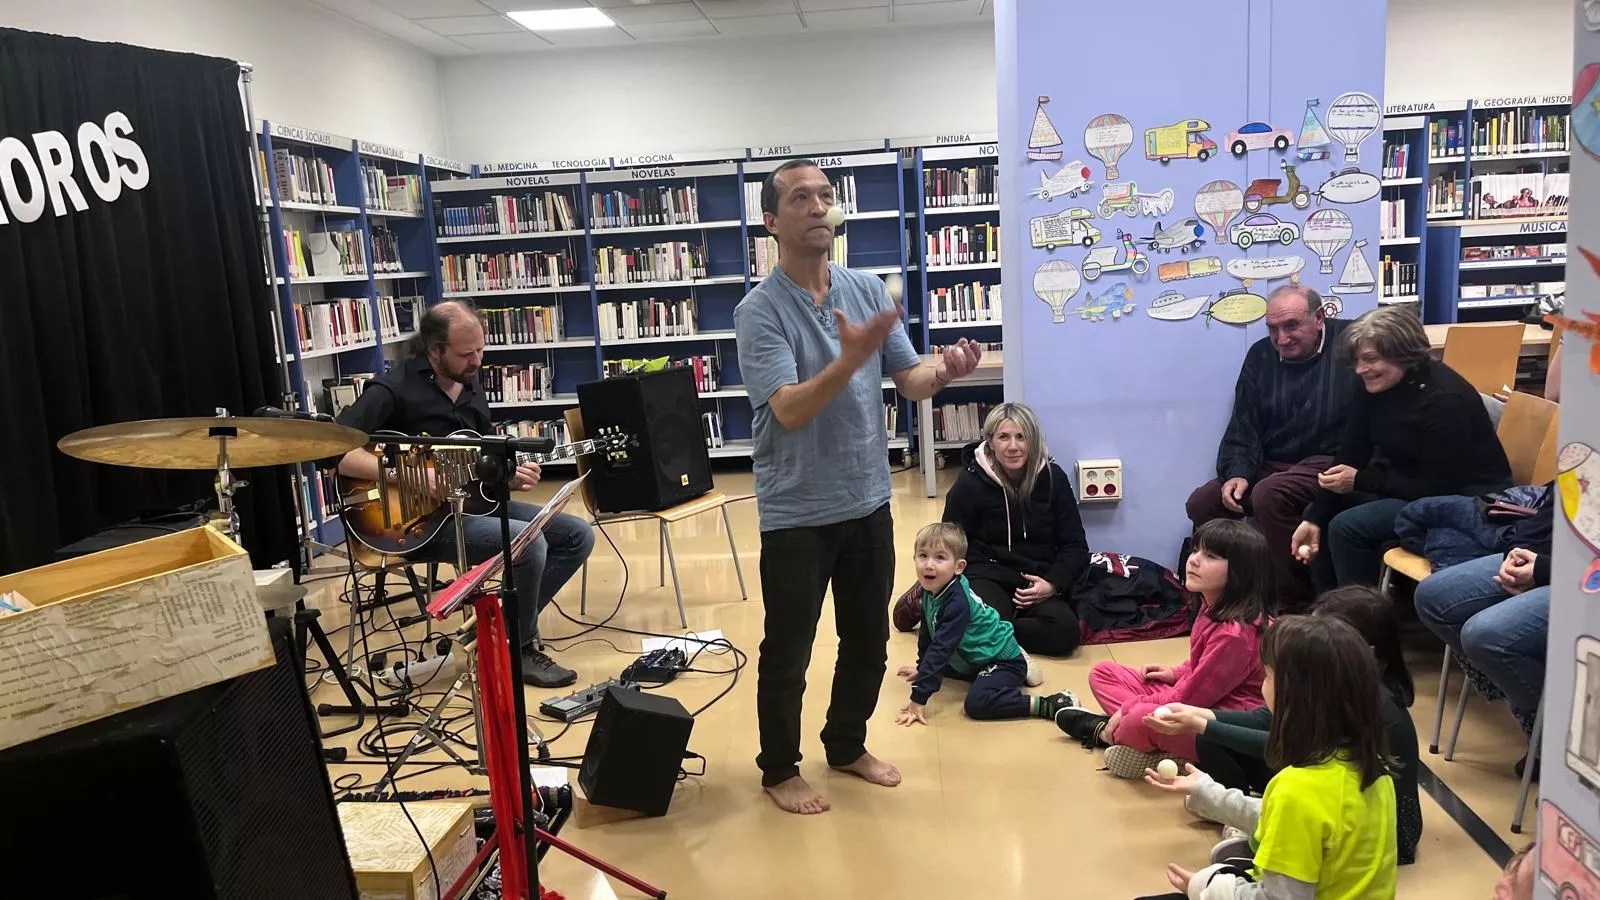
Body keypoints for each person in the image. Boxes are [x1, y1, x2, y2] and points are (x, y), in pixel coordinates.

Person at [733, 158, 982, 815]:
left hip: (867, 498)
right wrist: (847, 360)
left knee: (868, 642)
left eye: (825, 195)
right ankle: (779, 768)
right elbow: (787, 409)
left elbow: (911, 380)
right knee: (788, 650)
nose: (818, 206)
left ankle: (845, 745)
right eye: (800, 198)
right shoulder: (759, 312)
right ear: (772, 221)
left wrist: (947, 371)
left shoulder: (867, 288)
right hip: (796, 511)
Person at [332, 301, 595, 688]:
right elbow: (335, 452)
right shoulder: (391, 389)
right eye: (465, 353)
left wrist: (510, 477)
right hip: (410, 523)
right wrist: (405, 474)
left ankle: (497, 634)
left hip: (466, 507)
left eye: (480, 350)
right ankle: (515, 648)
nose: (476, 360)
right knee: (530, 545)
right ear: (434, 350)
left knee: (577, 535)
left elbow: (479, 467)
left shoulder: (472, 387)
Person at [1148, 586, 1421, 866]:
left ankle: (1243, 818)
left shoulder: (1364, 703)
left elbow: (1290, 749)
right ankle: (1238, 808)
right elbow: (1267, 723)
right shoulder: (1334, 685)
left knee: (1217, 739)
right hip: (1337, 803)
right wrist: (1198, 715)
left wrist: (1203, 725)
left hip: (1378, 832)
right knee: (1214, 737)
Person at [1293, 306, 1512, 590]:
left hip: (1467, 496)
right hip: (1409, 480)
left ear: (1403, 354)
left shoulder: (1445, 400)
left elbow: (1439, 486)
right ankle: (1328, 611)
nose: (1360, 369)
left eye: (1370, 359)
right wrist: (1314, 517)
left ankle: (1360, 621)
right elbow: (1352, 452)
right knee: (1325, 511)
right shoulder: (1374, 383)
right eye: (1357, 361)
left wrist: (1360, 480)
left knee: (1348, 526)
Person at [1186, 285, 1359, 612]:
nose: (1281, 338)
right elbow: (1244, 422)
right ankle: (1227, 604)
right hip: (1273, 461)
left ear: (1319, 317)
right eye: (1273, 328)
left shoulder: (1351, 344)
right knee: (1203, 502)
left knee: (1269, 495)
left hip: (1330, 460)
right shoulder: (1260, 355)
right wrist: (1237, 472)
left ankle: (1292, 608)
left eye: (1291, 326)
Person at [1054, 520, 1270, 779]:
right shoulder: (1213, 603)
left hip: (1222, 721)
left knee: (1140, 717)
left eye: (1210, 556)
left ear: (1240, 572)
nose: (1194, 561)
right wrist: (1175, 672)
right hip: (1200, 698)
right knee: (1103, 673)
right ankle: (1151, 746)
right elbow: (1204, 665)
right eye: (1196, 551)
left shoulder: (1234, 633)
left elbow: (1192, 698)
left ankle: (1107, 732)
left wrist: (1128, 709)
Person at [892, 523, 1079, 726]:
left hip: (1000, 660)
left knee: (977, 703)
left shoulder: (957, 603)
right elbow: (928, 634)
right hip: (974, 657)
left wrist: (918, 699)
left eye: (940, 557)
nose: (929, 565)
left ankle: (1050, 704)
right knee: (936, 665)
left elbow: (941, 648)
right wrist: (922, 668)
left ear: (959, 567)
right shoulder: (931, 590)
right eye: (923, 556)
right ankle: (1016, 670)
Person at [940, 402, 1089, 656]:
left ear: (1032, 441)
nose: (1013, 447)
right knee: (983, 617)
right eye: (1003, 437)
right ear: (990, 441)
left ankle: (996, 636)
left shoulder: (1054, 479)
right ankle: (986, 628)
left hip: (1037, 577)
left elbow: (1074, 545)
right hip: (987, 573)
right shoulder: (969, 482)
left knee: (1066, 632)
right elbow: (950, 542)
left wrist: (1052, 584)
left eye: (1021, 437)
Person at [1415, 492, 1553, 747]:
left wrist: (1543, 570)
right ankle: (1528, 700)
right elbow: (1549, 512)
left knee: (1485, 635)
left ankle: (1551, 735)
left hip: (1585, 577)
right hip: (1547, 558)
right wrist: (1516, 552)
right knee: (1434, 597)